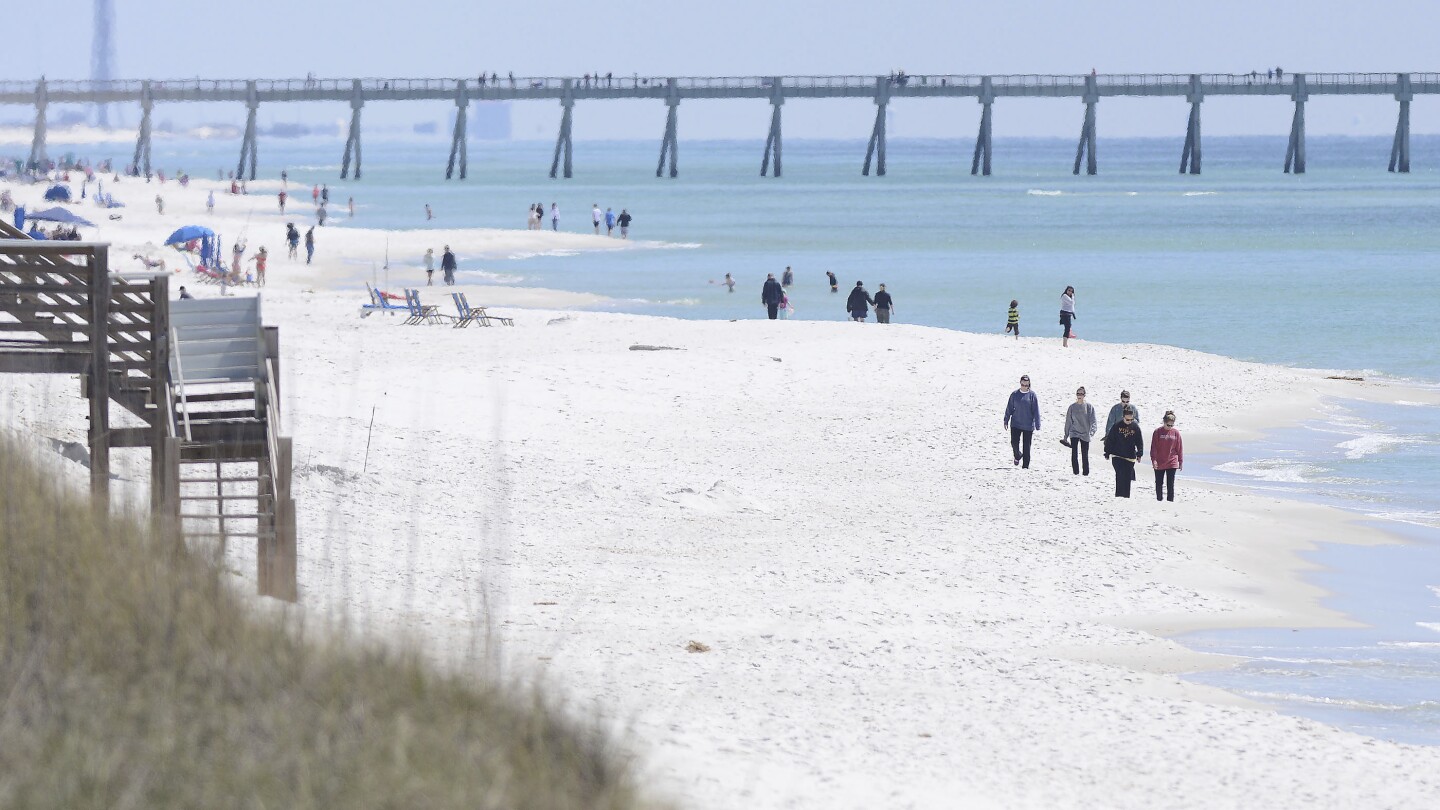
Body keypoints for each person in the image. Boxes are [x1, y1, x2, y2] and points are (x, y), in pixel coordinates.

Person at [1103, 406, 1145, 498]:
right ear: (1123, 417)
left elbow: (1139, 441)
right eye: (1127, 419)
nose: (1129, 421)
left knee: (1127, 478)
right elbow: (1110, 440)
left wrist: (1139, 454)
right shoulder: (1116, 426)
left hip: (1130, 457)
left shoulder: (1135, 427)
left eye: (1131, 419)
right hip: (1117, 455)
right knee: (1119, 475)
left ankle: (1126, 496)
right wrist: (1107, 452)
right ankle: (1118, 495)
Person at [1003, 374, 1040, 468]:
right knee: (1014, 442)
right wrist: (1006, 420)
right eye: (1023, 385)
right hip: (1016, 423)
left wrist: (1037, 424)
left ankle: (1025, 466)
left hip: (1028, 425)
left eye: (1026, 385)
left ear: (1029, 385)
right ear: (1020, 383)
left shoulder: (1032, 395)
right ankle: (1017, 455)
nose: (1024, 387)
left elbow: (1036, 410)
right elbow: (1009, 408)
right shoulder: (1014, 394)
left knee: (1026, 446)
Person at [1062, 387, 1097, 475]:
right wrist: (1066, 436)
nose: (1079, 396)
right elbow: (1068, 421)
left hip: (1085, 433)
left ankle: (1085, 473)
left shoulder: (1089, 407)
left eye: (1081, 394)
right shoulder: (1072, 407)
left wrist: (1091, 433)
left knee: (1084, 454)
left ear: (1084, 395)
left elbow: (1093, 421)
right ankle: (1075, 472)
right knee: (1074, 454)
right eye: (1078, 394)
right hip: (1074, 433)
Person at [1150, 411, 1184, 502]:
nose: (1169, 427)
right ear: (1164, 422)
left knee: (1170, 484)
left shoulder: (1176, 433)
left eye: (1171, 425)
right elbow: (1153, 447)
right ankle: (1159, 500)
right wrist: (1154, 460)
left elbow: (1179, 448)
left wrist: (1180, 461)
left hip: (1172, 461)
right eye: (1168, 425)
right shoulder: (1157, 432)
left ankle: (1170, 502)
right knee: (1159, 483)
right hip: (1159, 461)